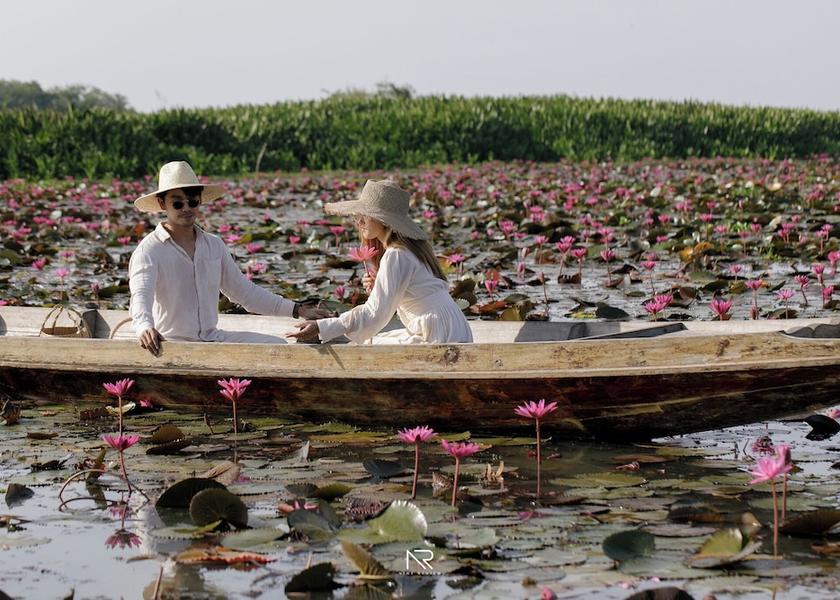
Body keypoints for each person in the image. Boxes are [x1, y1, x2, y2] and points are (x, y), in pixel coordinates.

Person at [129, 161, 328, 355]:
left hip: (211, 339)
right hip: (170, 344)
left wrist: (298, 309)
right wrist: (144, 327)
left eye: (192, 201)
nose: (186, 208)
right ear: (163, 204)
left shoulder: (213, 245)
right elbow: (140, 296)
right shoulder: (149, 250)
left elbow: (246, 294)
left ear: (200, 200)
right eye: (178, 203)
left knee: (277, 345)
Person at [288, 179, 473, 345]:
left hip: (436, 335)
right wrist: (380, 286)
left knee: (354, 343)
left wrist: (322, 326)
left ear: (384, 221)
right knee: (366, 339)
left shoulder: (396, 254)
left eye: (365, 215)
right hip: (454, 327)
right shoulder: (412, 249)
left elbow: (374, 314)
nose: (358, 222)